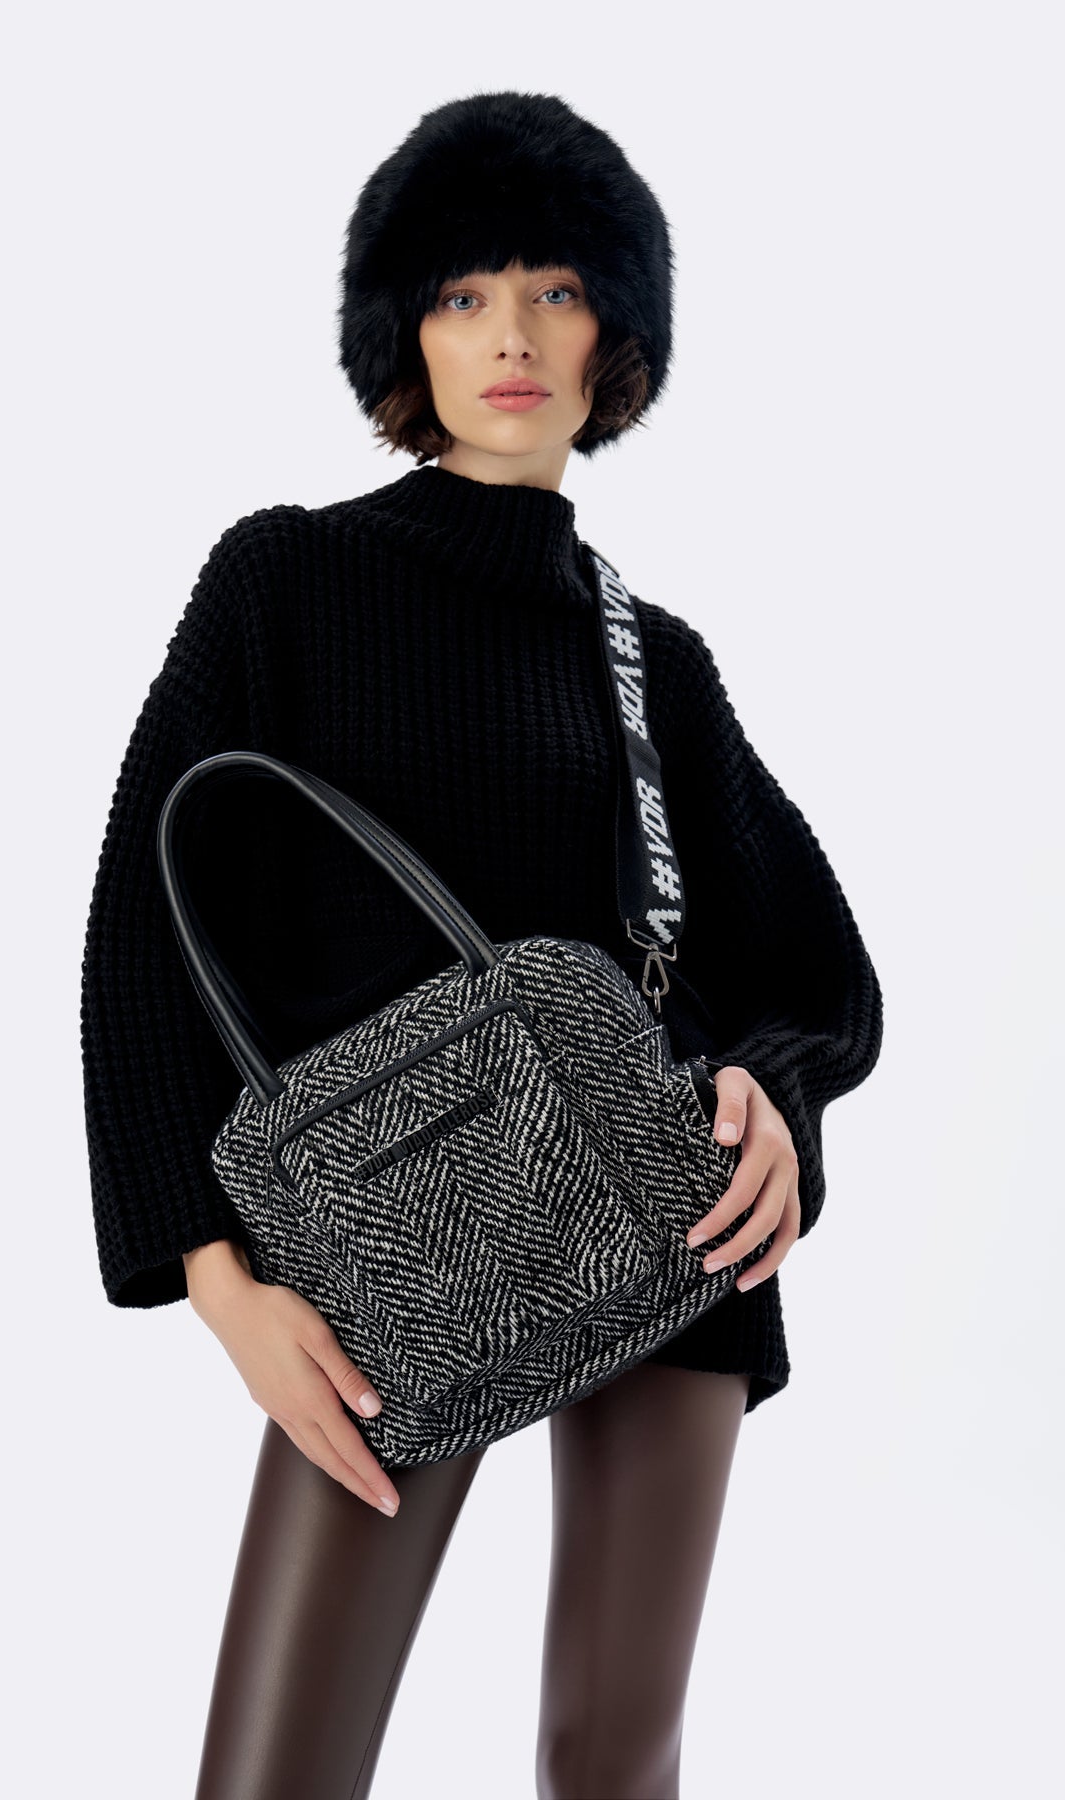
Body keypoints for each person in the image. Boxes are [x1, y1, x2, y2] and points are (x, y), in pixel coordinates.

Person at [79, 92, 883, 1799]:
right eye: (462, 295)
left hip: (667, 1210)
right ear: (407, 339)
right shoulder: (284, 581)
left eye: (556, 290)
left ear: (615, 339)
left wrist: (775, 1098)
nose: (511, 335)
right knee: (276, 1770)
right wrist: (214, 1279)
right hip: (383, 1241)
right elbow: (138, 936)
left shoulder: (652, 656)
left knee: (613, 1759)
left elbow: (816, 968)